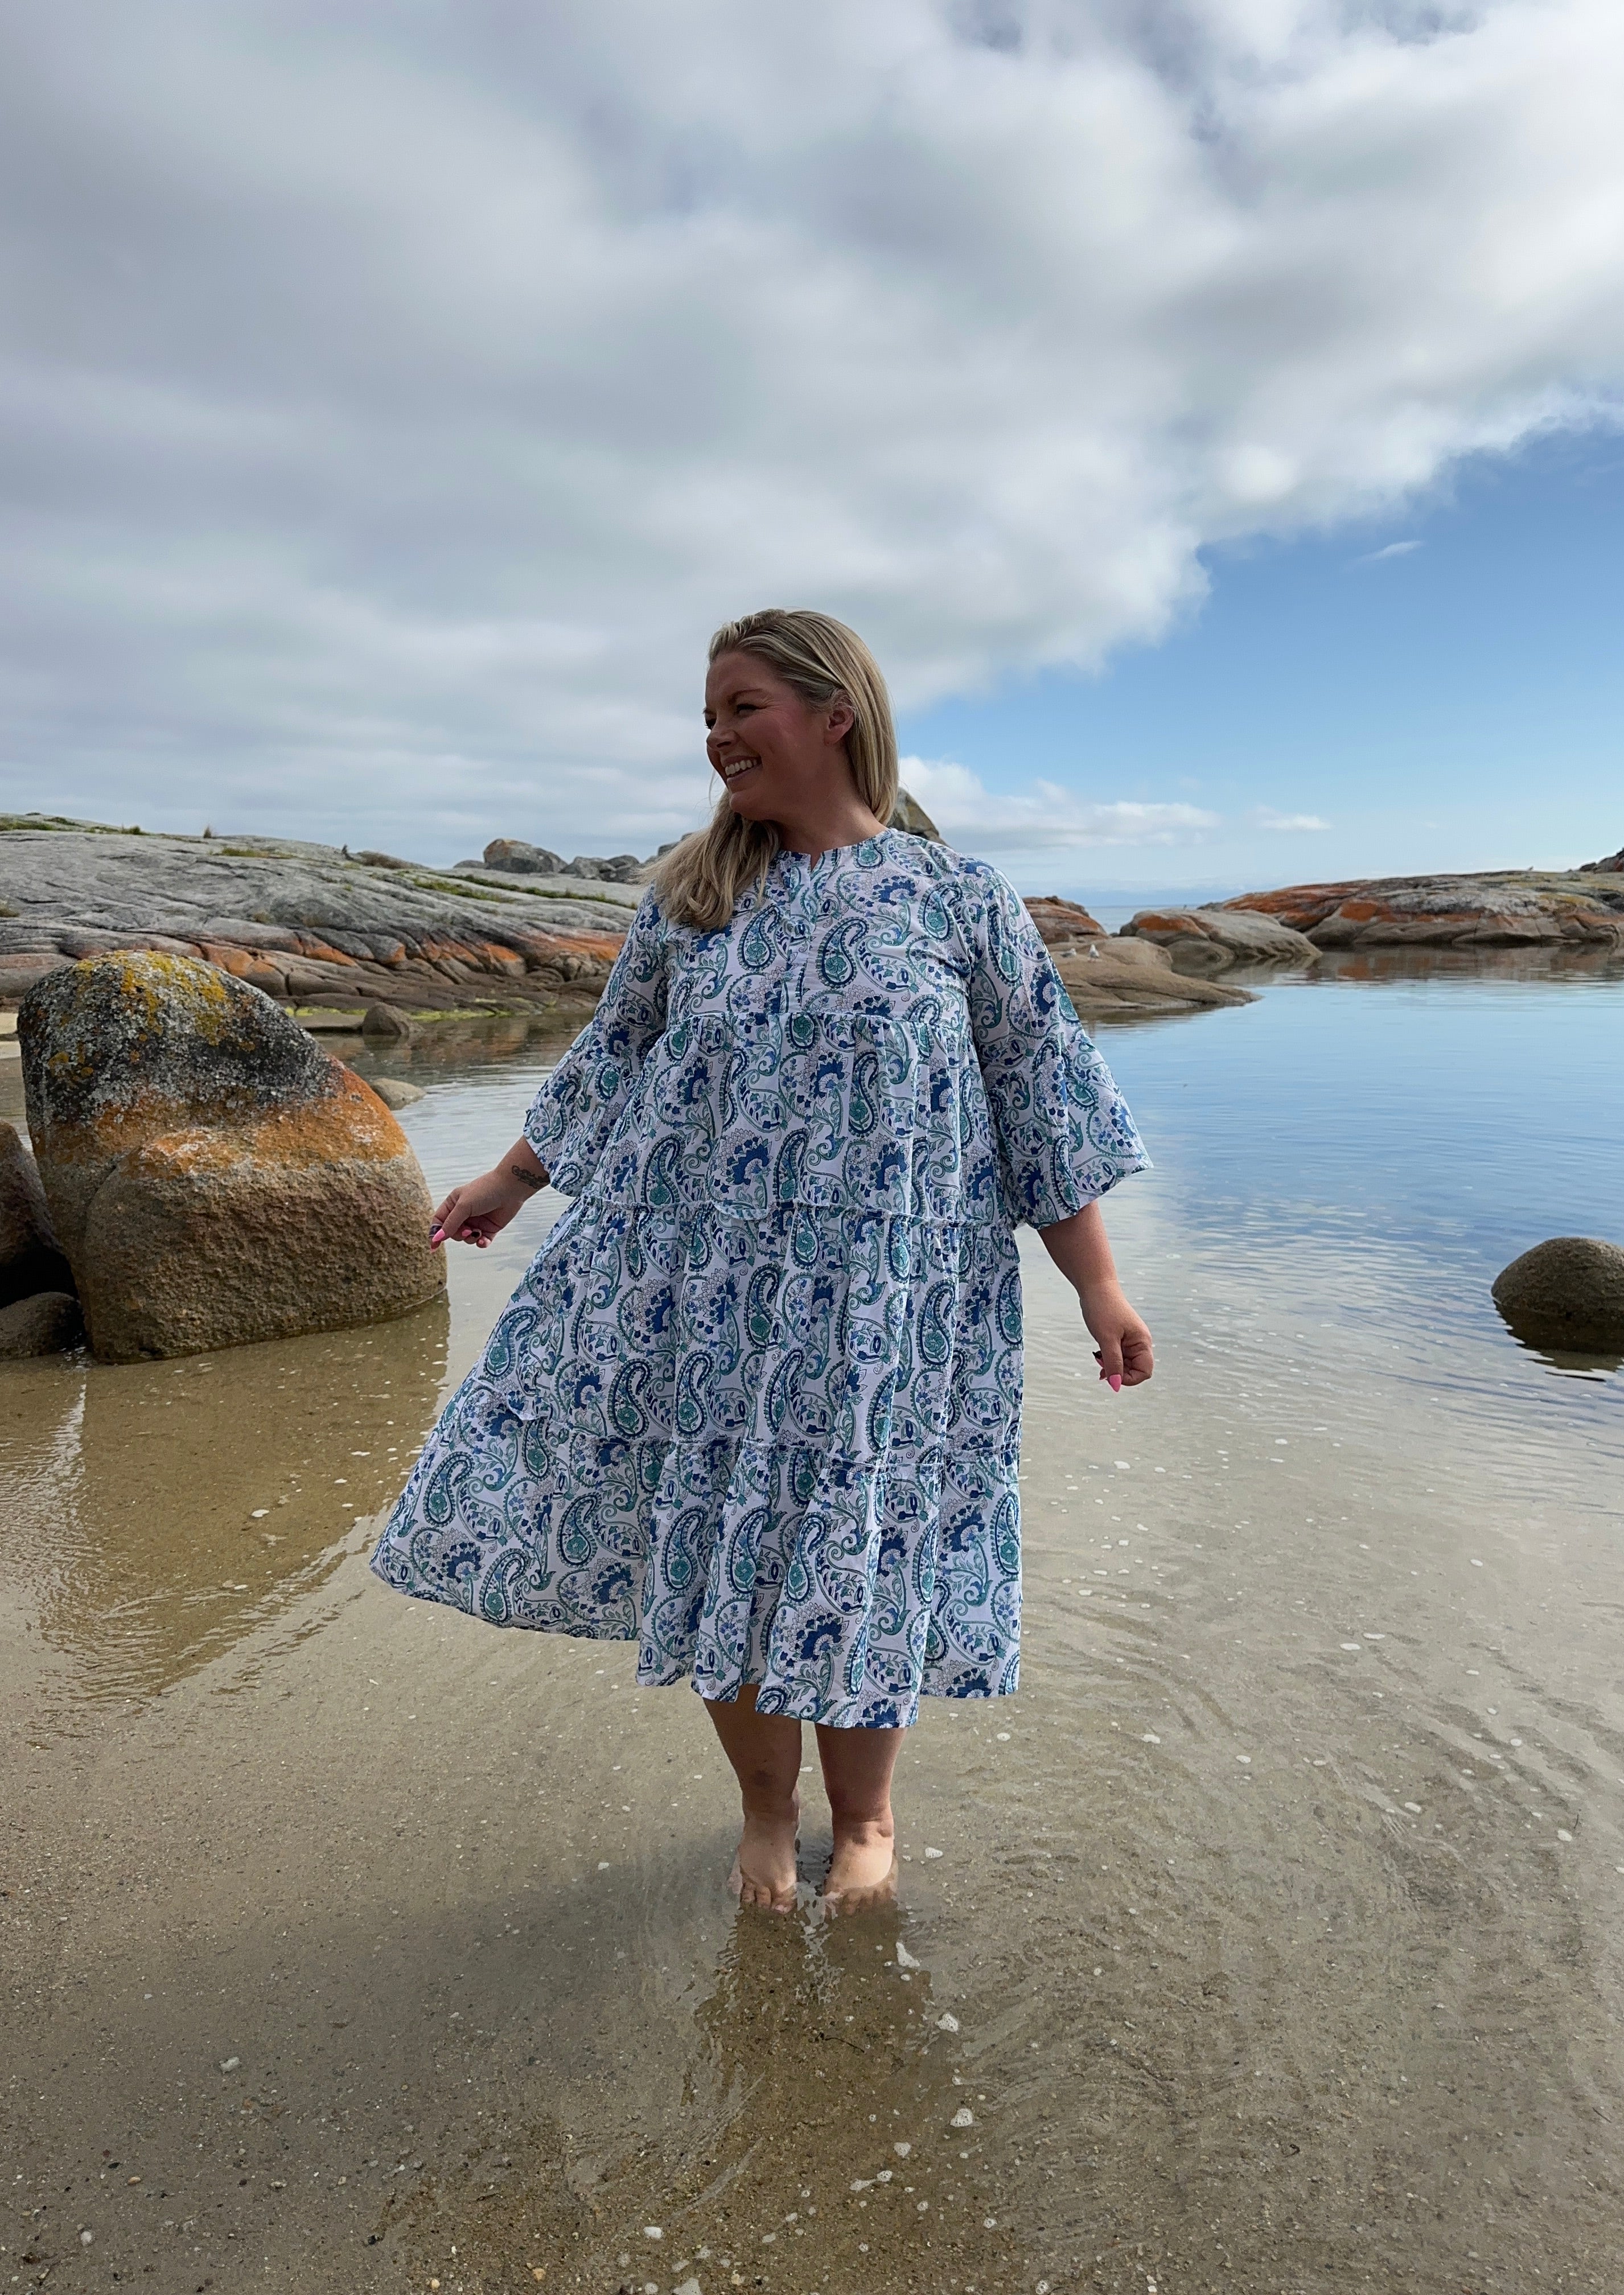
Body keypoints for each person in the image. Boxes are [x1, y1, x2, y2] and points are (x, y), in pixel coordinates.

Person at [371, 608, 1153, 1914]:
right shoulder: (694, 901)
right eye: (709, 718)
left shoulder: (957, 900)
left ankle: (867, 1820)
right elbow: (612, 1062)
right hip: (716, 1297)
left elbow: (1042, 1102)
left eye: (743, 709)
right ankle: (762, 1808)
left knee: (859, 1554)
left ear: (833, 714)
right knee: (725, 1549)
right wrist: (512, 1180)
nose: (719, 737)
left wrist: (1102, 1289)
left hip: (896, 1310)